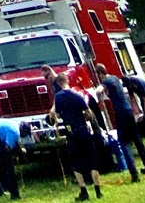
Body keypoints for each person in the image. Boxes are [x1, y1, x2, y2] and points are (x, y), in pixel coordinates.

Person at [95, 63, 145, 181]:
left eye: (98, 75)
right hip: (129, 112)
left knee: (124, 143)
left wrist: (99, 95)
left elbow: (99, 90)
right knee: (137, 140)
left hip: (121, 114)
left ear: (100, 74)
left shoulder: (106, 81)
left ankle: (134, 174)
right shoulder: (115, 78)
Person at [53, 71, 102, 201]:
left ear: (58, 83)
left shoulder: (58, 97)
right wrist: (83, 117)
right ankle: (97, 190)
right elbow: (88, 113)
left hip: (71, 132)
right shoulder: (77, 95)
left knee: (76, 161)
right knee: (92, 159)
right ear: (67, 81)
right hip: (83, 130)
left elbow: (57, 115)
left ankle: (83, 190)